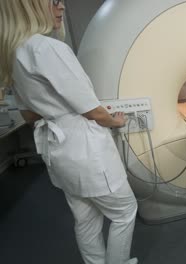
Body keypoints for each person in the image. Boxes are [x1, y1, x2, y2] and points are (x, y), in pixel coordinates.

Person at [0, 1, 138, 263]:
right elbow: (92, 111)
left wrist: (56, 111)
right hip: (84, 150)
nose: (61, 7)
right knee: (125, 211)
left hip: (57, 151)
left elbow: (28, 115)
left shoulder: (14, 53)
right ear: (31, 8)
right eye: (54, 2)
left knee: (85, 219)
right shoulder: (48, 48)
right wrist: (115, 121)